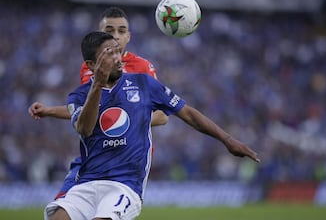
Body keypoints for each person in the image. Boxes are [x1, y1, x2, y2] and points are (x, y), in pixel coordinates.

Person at [45, 31, 260, 220]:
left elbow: (188, 113)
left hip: (124, 185)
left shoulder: (143, 84)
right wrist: (98, 85)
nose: (117, 58)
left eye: (117, 51)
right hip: (86, 184)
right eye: (108, 54)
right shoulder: (78, 96)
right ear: (91, 65)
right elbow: (84, 128)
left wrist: (227, 140)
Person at [28, 7, 168, 199]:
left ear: (129, 36)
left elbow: (162, 116)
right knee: (61, 206)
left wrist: (128, 120)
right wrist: (48, 110)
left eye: (121, 31)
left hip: (126, 154)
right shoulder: (88, 67)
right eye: (109, 30)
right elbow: (88, 111)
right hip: (96, 150)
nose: (116, 36)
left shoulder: (143, 67)